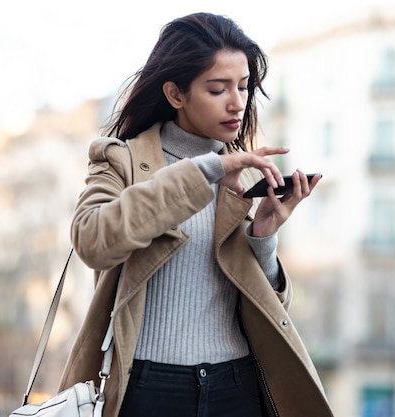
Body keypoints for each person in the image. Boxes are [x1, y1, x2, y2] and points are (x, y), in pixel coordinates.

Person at [58, 12, 334, 417]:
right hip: (147, 386)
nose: (237, 102)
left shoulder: (239, 171)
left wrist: (264, 237)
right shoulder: (121, 161)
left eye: (243, 87)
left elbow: (268, 306)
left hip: (235, 385)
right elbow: (93, 241)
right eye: (218, 88)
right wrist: (208, 169)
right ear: (175, 94)